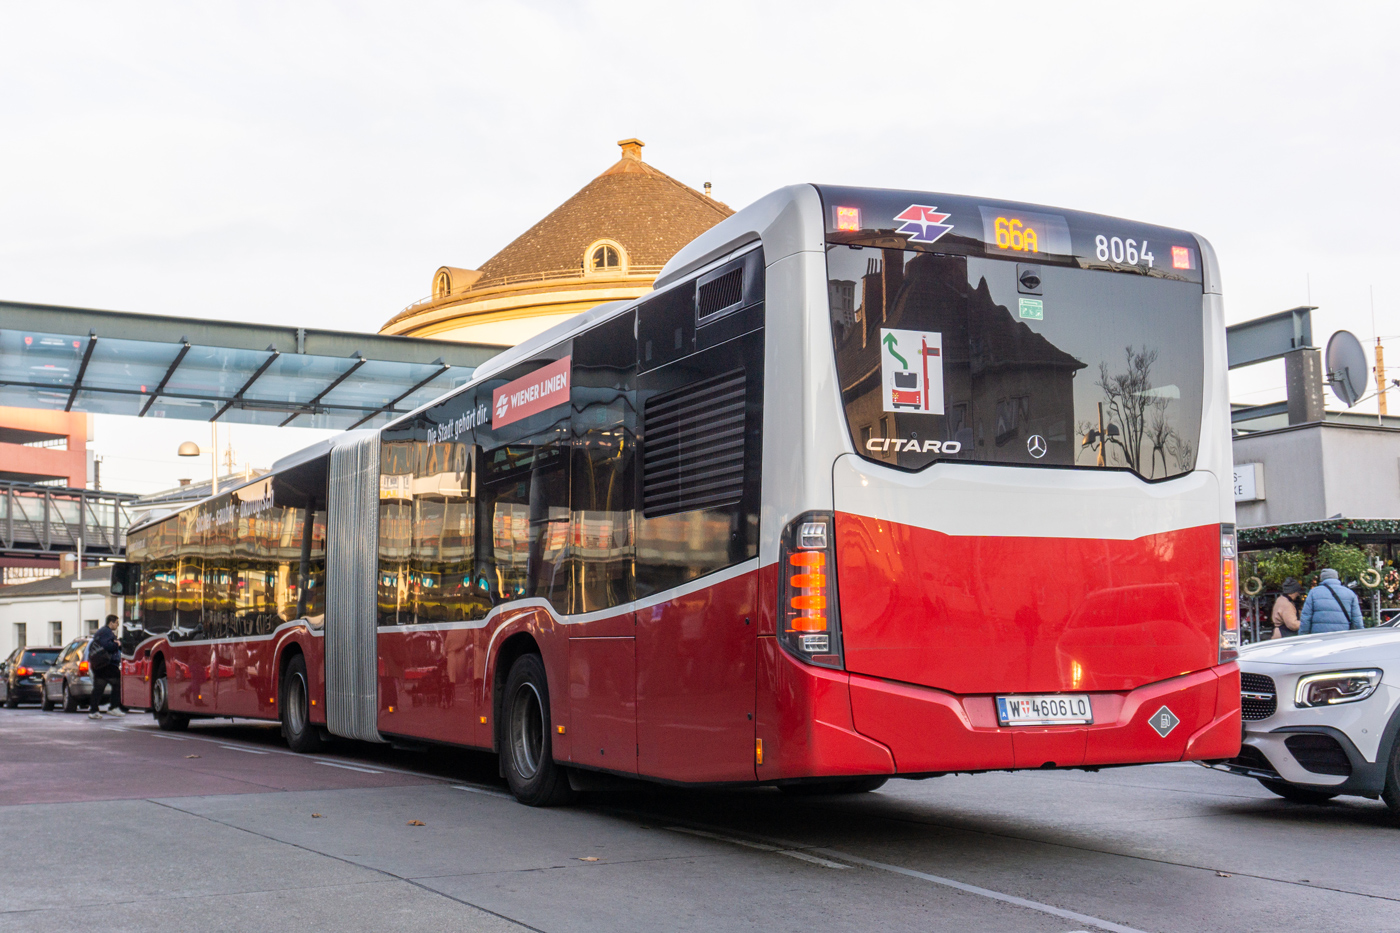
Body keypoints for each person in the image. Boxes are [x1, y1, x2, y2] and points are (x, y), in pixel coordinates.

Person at [1298, 568, 1365, 635]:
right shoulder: (1350, 593)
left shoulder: (1314, 593)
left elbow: (1306, 617)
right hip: (1342, 636)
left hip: (1319, 636)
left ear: (1322, 578)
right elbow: (1357, 620)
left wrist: (1303, 634)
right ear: (1337, 578)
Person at [88, 614, 125, 720]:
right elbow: (107, 646)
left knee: (99, 687)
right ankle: (113, 707)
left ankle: (93, 710)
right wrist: (117, 644)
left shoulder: (101, 632)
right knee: (118, 682)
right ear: (111, 622)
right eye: (117, 623)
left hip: (99, 664)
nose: (117, 625)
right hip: (107, 664)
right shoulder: (107, 632)